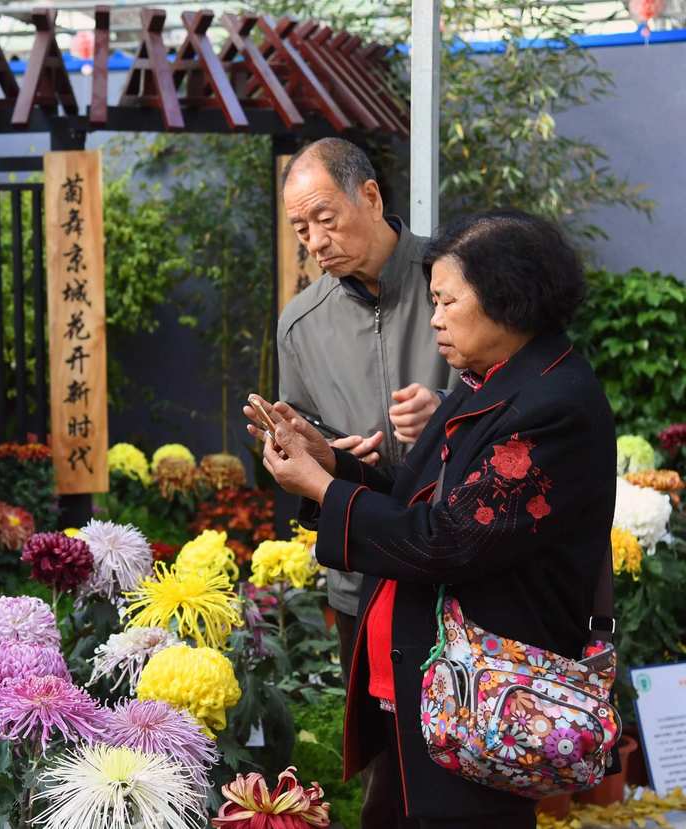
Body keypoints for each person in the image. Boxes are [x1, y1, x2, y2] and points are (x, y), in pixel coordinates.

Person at [249, 210, 616, 828]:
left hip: (487, 693)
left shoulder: (556, 407)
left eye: (446, 301)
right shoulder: (490, 381)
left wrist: (320, 487)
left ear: (510, 301)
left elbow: (448, 540)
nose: (436, 317)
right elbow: (421, 498)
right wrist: (330, 465)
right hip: (427, 678)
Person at [276, 137, 453, 682]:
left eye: (326, 218)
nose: (316, 242)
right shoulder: (301, 322)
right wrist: (318, 457)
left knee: (467, 746)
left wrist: (444, 411)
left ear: (370, 196)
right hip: (364, 572)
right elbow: (302, 435)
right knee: (378, 760)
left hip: (462, 559)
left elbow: (518, 400)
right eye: (302, 230)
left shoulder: (453, 281)